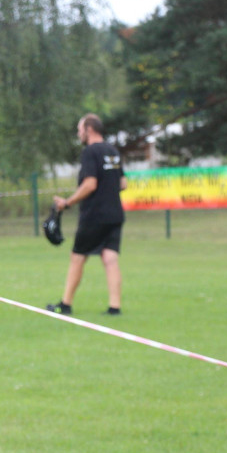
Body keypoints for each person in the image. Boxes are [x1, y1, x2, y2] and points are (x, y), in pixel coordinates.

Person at [47, 113, 127, 316]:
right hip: (115, 213)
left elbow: (90, 184)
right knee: (110, 258)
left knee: (77, 257)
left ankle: (65, 304)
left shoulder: (90, 151)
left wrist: (67, 202)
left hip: (95, 215)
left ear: (89, 129)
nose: (78, 134)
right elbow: (123, 184)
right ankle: (114, 307)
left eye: (79, 129)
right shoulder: (112, 151)